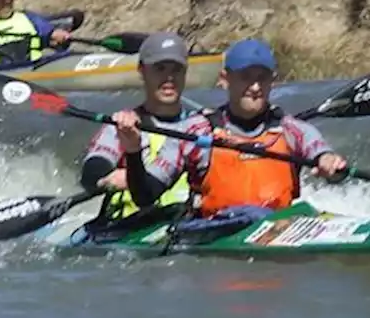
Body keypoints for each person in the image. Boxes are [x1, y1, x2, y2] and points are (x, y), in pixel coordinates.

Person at [118, 38, 349, 225]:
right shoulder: (196, 130)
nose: (255, 87)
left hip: (280, 228)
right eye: (246, 77)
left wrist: (331, 164)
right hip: (215, 230)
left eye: (262, 78)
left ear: (273, 82)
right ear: (224, 80)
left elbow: (323, 156)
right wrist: (133, 151)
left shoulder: (293, 130)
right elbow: (145, 196)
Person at [79, 32, 194, 231]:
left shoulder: (200, 126)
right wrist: (107, 178)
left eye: (176, 69)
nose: (169, 78)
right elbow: (92, 170)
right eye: (159, 69)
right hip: (126, 226)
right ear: (142, 71)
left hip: (184, 224)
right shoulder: (122, 123)